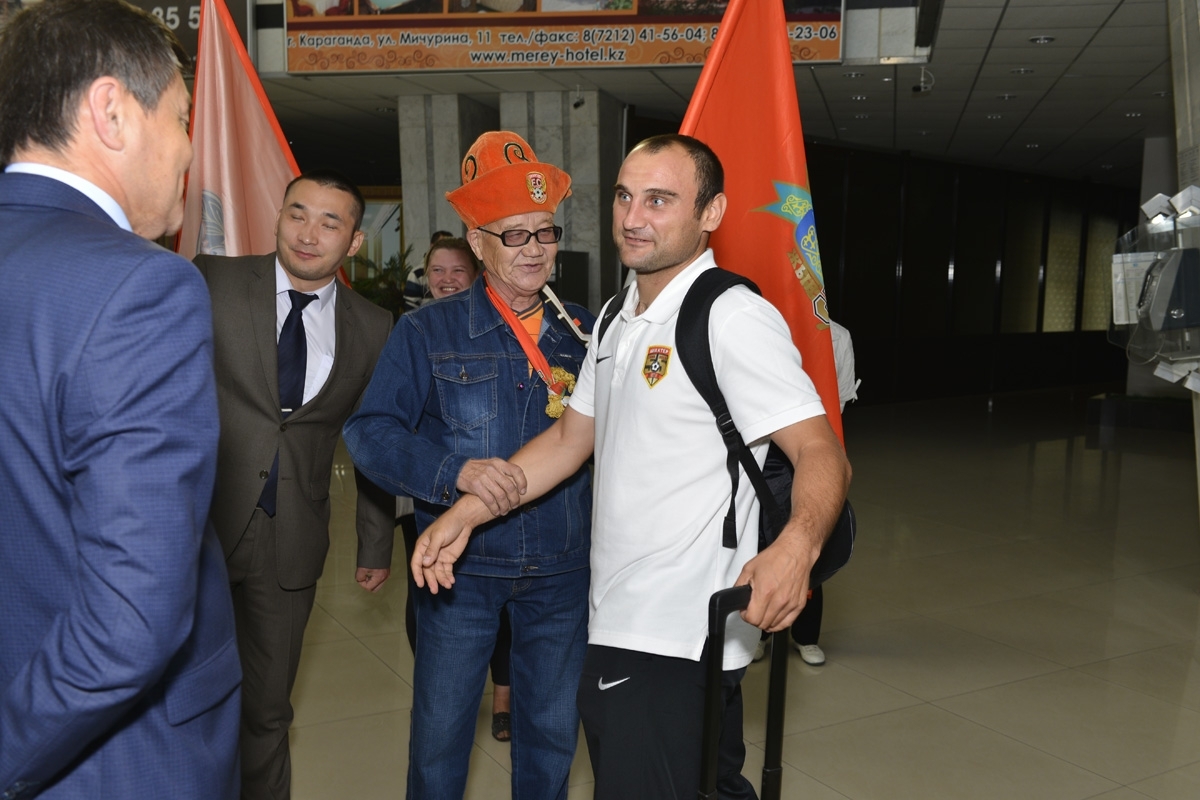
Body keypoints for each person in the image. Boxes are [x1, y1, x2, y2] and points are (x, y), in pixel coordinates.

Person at [415, 133, 852, 800]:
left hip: (675, 627)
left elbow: (821, 451)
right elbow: (570, 441)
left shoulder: (731, 315)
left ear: (711, 213)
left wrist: (796, 548)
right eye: (624, 196)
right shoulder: (618, 316)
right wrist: (467, 514)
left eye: (659, 200)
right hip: (621, 615)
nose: (633, 217)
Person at [0, 1, 241, 797]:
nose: (189, 149)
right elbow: (130, 623)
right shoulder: (139, 286)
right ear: (111, 111)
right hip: (103, 761)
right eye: (181, 117)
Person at [344, 131, 593, 799]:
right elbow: (369, 432)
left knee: (551, 737)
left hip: (563, 567)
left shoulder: (585, 333)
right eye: (515, 235)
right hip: (462, 569)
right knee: (440, 738)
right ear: (478, 243)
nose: (535, 249)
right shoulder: (427, 331)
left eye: (546, 232)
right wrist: (455, 469)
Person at [193, 169, 396, 800]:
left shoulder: (373, 326)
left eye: (329, 222)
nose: (308, 233)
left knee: (268, 708)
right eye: (297, 214)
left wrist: (375, 543)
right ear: (278, 217)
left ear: (354, 241)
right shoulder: (214, 281)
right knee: (183, 699)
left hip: (291, 540)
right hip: (197, 529)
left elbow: (370, 438)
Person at [394, 237, 514, 742]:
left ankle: (504, 694)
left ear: (478, 273)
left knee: (501, 601)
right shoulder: (411, 330)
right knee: (427, 594)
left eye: (456, 270)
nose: (445, 279)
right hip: (422, 494)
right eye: (436, 270)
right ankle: (442, 690)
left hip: (499, 495)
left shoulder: (504, 330)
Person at [404, 228, 456, 309]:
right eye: (442, 246)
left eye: (451, 247)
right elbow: (410, 310)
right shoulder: (417, 274)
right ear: (432, 246)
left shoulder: (459, 274)